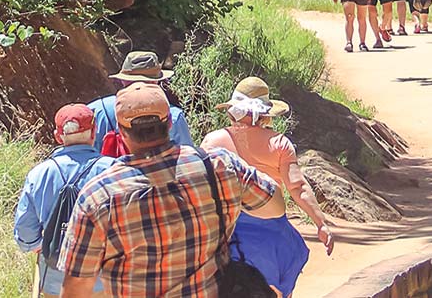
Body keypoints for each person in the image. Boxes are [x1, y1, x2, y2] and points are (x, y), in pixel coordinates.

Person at [58, 82, 275, 298]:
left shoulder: (98, 196)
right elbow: (273, 207)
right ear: (170, 122)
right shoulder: (217, 165)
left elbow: (76, 289)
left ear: (122, 133)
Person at [201, 78, 334, 297]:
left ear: (233, 110)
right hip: (271, 228)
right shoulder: (279, 144)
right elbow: (297, 187)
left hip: (228, 228)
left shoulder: (213, 141)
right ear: (265, 114)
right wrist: (320, 223)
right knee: (277, 288)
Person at [14, 105, 115, 296]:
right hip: (104, 280)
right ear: (94, 132)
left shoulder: (39, 174)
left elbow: (25, 233)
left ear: (58, 137)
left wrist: (39, 246)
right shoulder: (112, 170)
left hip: (55, 281)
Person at [90, 51, 194, 152]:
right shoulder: (173, 115)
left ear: (122, 80)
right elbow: (187, 156)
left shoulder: (98, 109)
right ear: (156, 81)